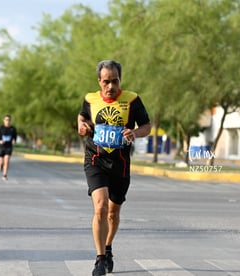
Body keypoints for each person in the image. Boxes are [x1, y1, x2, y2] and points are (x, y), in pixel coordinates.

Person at [77, 60, 151, 275]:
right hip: (95, 158)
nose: (111, 86)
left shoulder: (132, 99)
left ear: (120, 79)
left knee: (112, 212)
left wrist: (135, 133)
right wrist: (81, 126)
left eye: (115, 81)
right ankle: (100, 258)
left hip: (120, 162)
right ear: (99, 81)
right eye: (106, 82)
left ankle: (108, 247)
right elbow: (82, 117)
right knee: (99, 207)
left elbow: (146, 125)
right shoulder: (90, 99)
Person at [0, 114, 17, 181]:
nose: (7, 121)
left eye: (9, 120)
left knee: (7, 160)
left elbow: (15, 136)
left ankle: (4, 175)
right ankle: (0, 165)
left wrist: (14, 140)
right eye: (6, 120)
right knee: (1, 162)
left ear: (10, 121)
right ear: (4, 120)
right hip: (1, 147)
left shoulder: (12, 129)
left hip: (9, 147)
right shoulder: (0, 128)